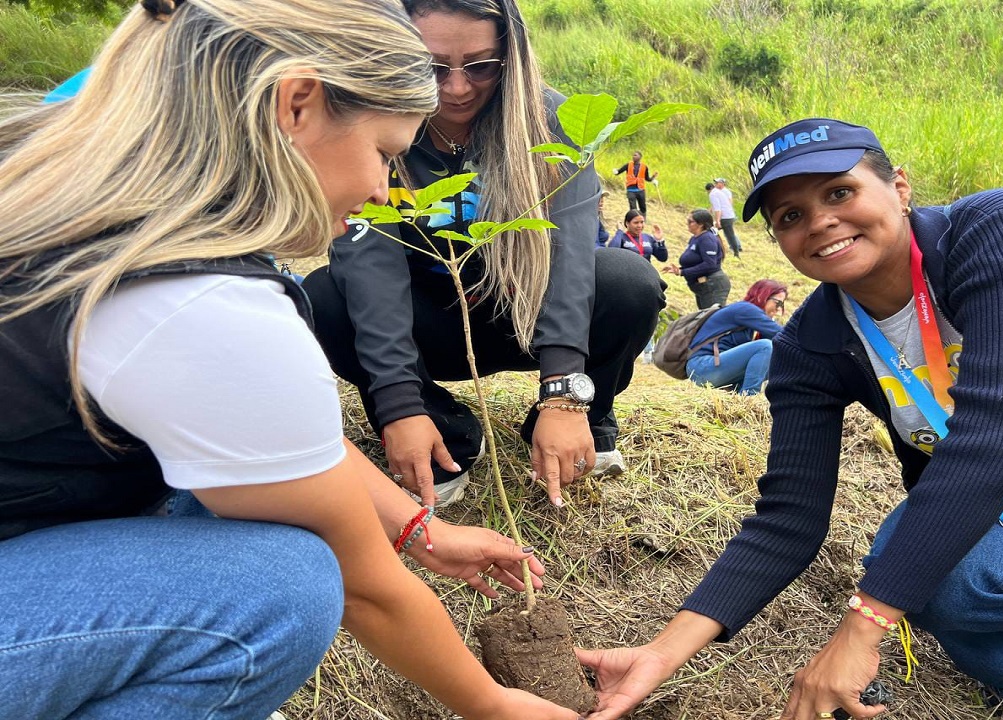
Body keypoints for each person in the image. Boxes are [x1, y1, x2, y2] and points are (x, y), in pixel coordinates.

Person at [0, 2, 583, 719]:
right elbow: (367, 587)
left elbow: (271, 441)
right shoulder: (199, 302)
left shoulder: (82, 188)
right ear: (297, 104)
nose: (383, 192)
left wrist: (419, 530)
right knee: (283, 590)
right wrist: (494, 705)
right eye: (384, 153)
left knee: (224, 498)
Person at [578, 117, 1003, 720]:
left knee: (898, 577)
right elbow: (788, 517)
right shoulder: (810, 344)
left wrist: (863, 625)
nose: (818, 222)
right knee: (931, 570)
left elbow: (998, 440)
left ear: (899, 187)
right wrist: (660, 654)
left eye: (840, 192)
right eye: (790, 215)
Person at [303, 0, 665, 509]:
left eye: (480, 66)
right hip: (429, 326)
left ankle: (586, 408)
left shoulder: (553, 123)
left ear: (510, 56)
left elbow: (570, 261)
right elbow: (369, 269)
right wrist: (398, 403)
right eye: (431, 67)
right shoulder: (368, 122)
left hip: (524, 317)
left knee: (629, 282)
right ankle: (446, 432)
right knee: (323, 295)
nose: (456, 88)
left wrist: (563, 392)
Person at [685, 279, 786, 395]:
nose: (779, 309)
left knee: (779, 363)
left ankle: (739, 392)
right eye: (778, 303)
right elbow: (783, 335)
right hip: (702, 367)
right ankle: (748, 396)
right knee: (765, 346)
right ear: (762, 296)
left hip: (713, 369)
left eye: (782, 305)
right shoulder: (745, 309)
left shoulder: (751, 322)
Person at [661, 208, 730, 309]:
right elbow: (695, 262)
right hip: (702, 286)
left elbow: (710, 264)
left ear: (700, 224)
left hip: (712, 285)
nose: (687, 224)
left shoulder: (707, 238)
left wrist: (683, 272)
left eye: (690, 221)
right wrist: (679, 269)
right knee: (703, 315)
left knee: (710, 316)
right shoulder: (695, 238)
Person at [613, 150, 657, 214]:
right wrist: (615, 171)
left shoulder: (644, 167)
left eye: (635, 155)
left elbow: (647, 178)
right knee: (633, 209)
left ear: (640, 157)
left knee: (643, 207)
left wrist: (653, 178)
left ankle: (642, 218)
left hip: (641, 190)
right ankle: (634, 219)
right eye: (633, 155)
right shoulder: (628, 165)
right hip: (631, 190)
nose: (633, 156)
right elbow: (619, 172)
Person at [708, 178, 742, 258]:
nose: (716, 184)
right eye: (715, 183)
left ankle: (736, 252)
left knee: (729, 235)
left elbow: (718, 208)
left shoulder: (715, 193)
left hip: (726, 217)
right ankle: (733, 250)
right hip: (727, 216)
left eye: (717, 183)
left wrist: (718, 220)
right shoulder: (718, 192)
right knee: (726, 234)